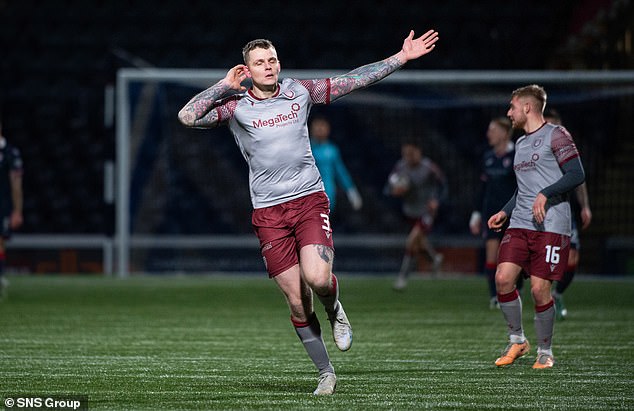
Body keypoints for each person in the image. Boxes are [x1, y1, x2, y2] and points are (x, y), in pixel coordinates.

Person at [178, 29, 440, 394]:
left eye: (272, 60)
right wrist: (223, 86)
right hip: (268, 213)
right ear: (247, 69)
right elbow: (188, 116)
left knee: (317, 280)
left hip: (308, 200)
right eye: (259, 63)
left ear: (279, 63)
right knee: (298, 301)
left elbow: (352, 80)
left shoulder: (298, 91)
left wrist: (400, 57)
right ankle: (326, 373)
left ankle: (335, 309)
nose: (268, 67)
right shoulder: (236, 106)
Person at [488, 85, 585, 369]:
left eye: (512, 107)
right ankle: (517, 340)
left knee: (540, 290)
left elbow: (577, 174)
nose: (509, 113)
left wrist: (546, 193)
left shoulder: (557, 135)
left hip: (552, 224)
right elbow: (523, 190)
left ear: (527, 107)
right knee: (503, 279)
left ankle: (545, 351)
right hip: (520, 222)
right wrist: (504, 212)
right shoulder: (520, 144)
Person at [543, 108, 592, 320]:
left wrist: (585, 206)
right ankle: (543, 300)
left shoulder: (566, 149)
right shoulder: (536, 150)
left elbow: (578, 179)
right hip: (542, 211)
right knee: (544, 258)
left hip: (564, 210)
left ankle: (557, 293)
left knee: (572, 257)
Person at [469, 117, 523, 309]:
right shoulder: (488, 157)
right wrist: (476, 214)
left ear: (504, 133)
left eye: (493, 130)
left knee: (514, 258)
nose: (488, 134)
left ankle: (517, 290)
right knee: (492, 256)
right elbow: (482, 189)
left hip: (514, 214)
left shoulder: (518, 155)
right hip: (492, 214)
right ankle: (495, 297)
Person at [387, 139, 448, 291]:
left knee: (412, 241)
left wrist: (436, 200)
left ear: (419, 152)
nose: (409, 156)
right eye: (406, 153)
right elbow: (388, 187)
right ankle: (435, 259)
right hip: (410, 211)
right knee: (419, 242)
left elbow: (443, 185)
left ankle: (402, 278)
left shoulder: (428, 167)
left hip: (426, 211)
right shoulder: (400, 168)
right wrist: (395, 191)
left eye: (411, 153)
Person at [309, 115, 362, 212]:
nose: (319, 129)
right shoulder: (305, 149)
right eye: (317, 126)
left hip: (328, 197)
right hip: (307, 196)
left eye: (322, 126)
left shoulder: (332, 150)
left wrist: (351, 191)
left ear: (328, 129)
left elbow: (341, 172)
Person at [0, 121, 24, 299]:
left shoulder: (10, 153)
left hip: (2, 204)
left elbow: (16, 185)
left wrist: (17, 210)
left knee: (0, 240)